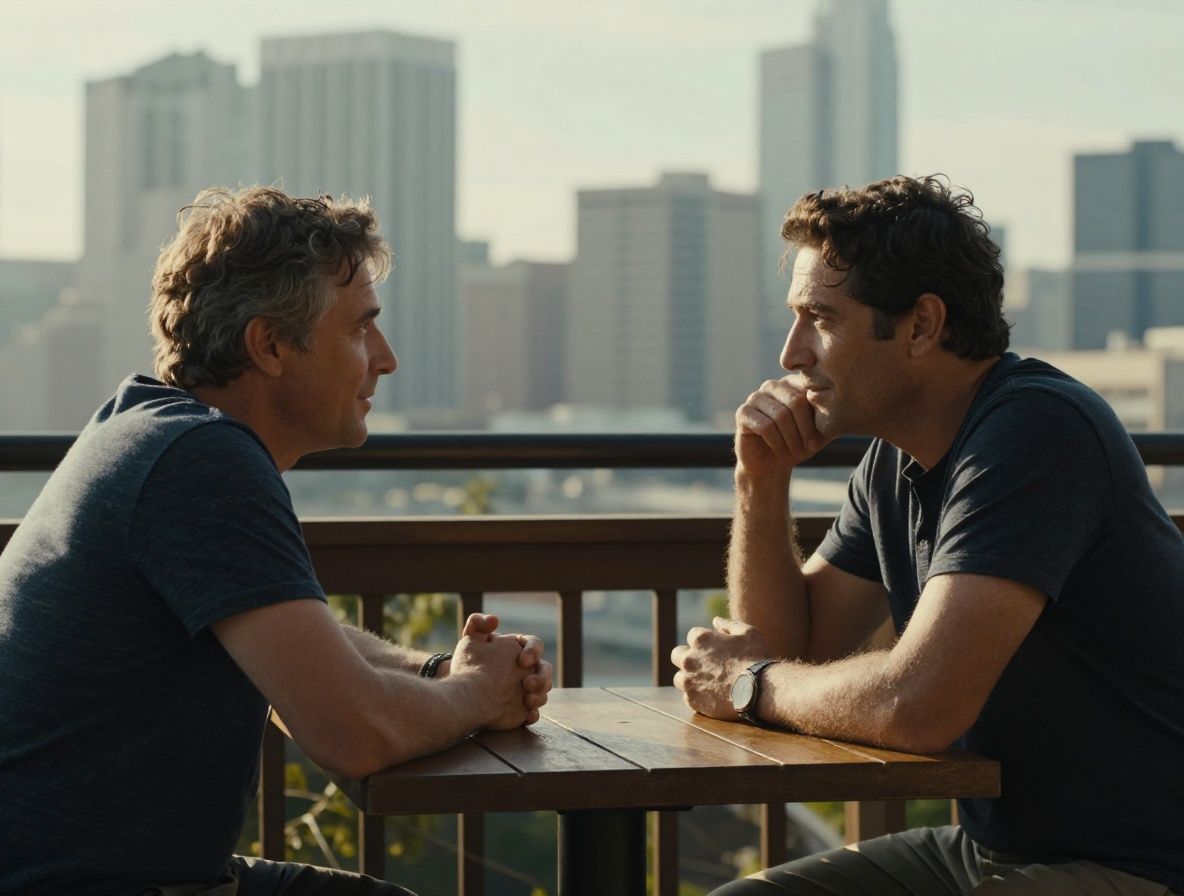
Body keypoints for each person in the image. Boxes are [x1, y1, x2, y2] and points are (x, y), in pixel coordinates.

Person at [0, 186, 553, 896]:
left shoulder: (148, 427)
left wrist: (436, 673)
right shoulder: (201, 461)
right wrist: (481, 693)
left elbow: (294, 640)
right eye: (360, 329)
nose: (384, 359)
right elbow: (352, 732)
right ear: (268, 345)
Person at [671, 175, 1184, 895]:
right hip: (988, 852)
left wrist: (750, 686)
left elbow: (920, 705)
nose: (792, 354)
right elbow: (798, 647)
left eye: (820, 317)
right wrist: (760, 483)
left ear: (920, 326)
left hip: (1141, 864)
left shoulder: (1035, 432)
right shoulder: (896, 456)